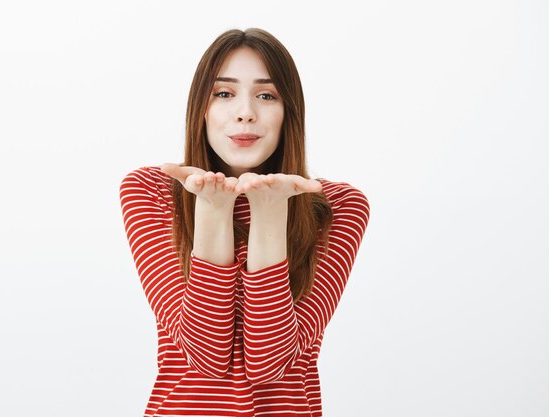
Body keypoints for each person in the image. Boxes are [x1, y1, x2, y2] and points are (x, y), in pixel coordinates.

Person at [119, 27, 370, 417]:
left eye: (266, 95)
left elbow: (267, 364)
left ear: (289, 112)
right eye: (224, 93)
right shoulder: (152, 191)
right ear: (201, 107)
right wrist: (213, 209)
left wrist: (270, 211)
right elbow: (206, 357)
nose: (245, 111)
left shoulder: (337, 205)